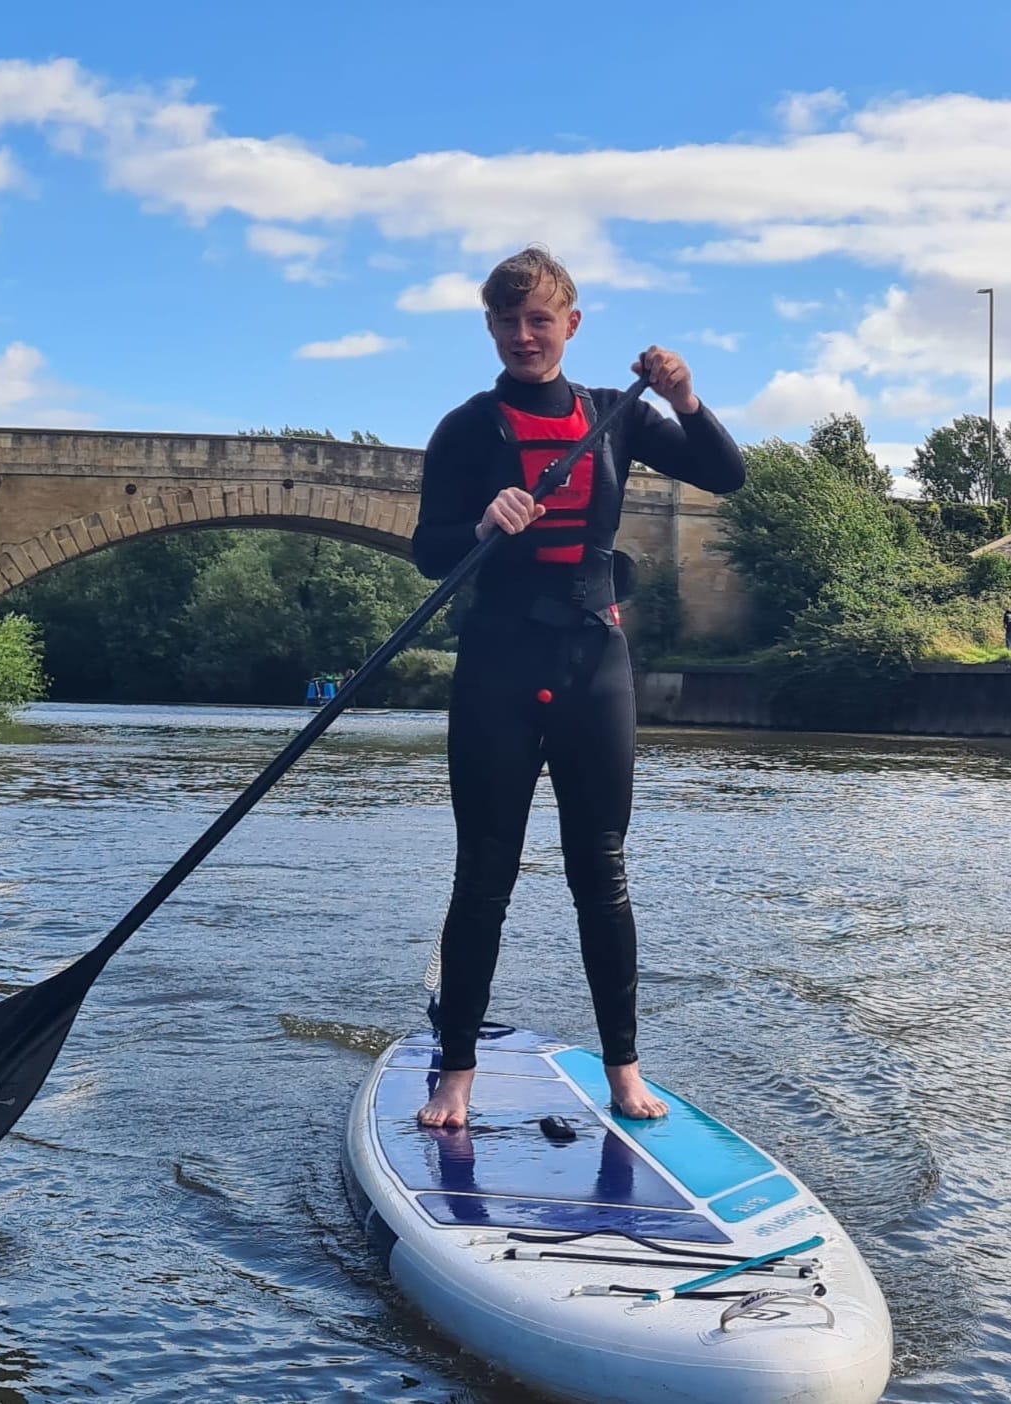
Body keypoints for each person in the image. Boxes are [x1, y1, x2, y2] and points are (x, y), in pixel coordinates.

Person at [411, 246, 745, 1129]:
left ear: (570, 324)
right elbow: (426, 551)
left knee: (600, 871)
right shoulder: (465, 429)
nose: (524, 336)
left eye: (539, 320)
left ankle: (625, 1070)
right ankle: (455, 1071)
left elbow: (724, 474)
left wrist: (684, 399)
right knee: (483, 874)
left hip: (593, 665)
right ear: (489, 328)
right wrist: (482, 520)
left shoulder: (615, 417)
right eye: (507, 322)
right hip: (497, 664)